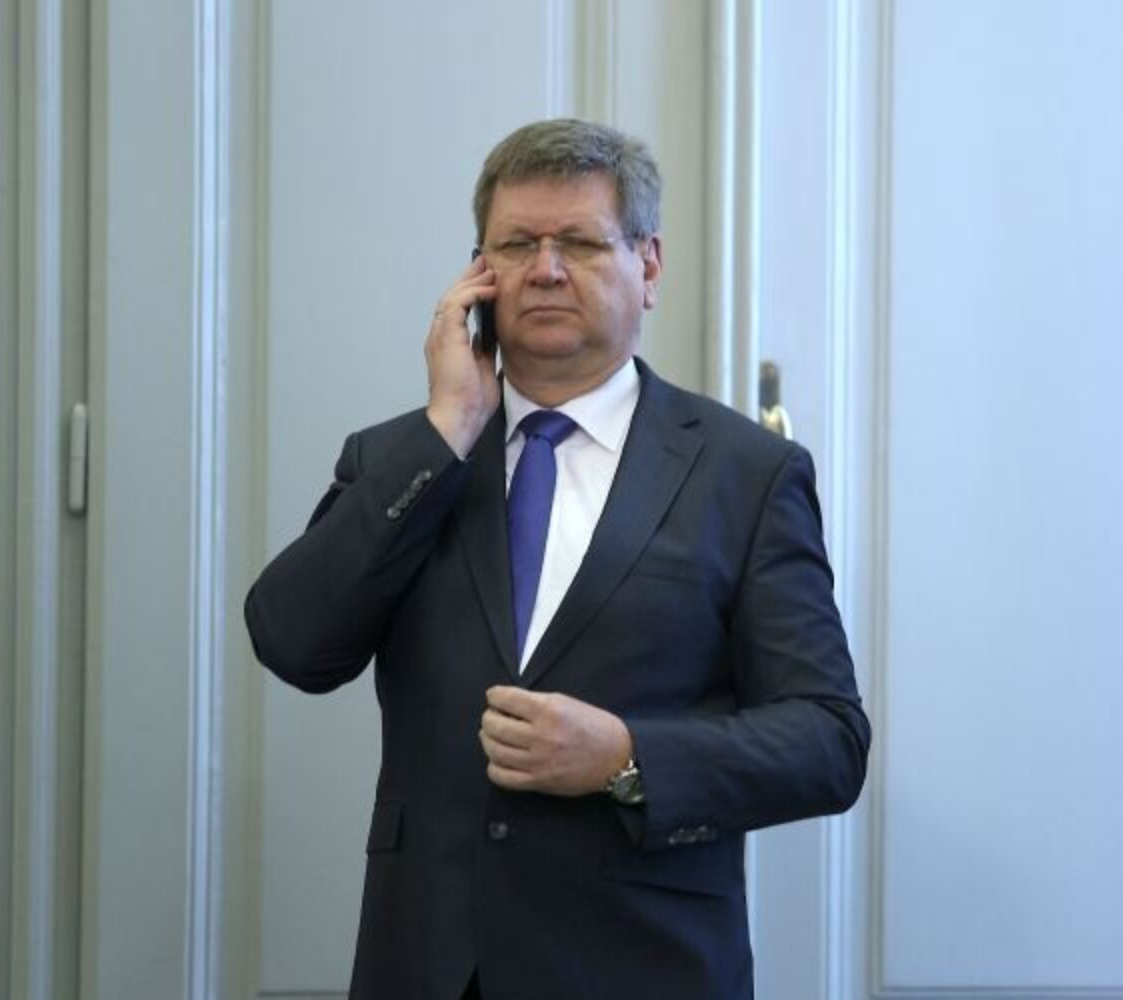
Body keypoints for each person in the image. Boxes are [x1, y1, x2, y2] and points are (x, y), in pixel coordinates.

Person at [244, 118, 870, 1000]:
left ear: (648, 266)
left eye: (578, 242)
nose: (544, 269)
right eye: (516, 245)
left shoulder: (747, 474)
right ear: (478, 275)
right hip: (430, 967)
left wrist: (626, 757)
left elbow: (827, 741)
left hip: (646, 966)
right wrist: (447, 430)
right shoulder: (405, 459)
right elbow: (292, 642)